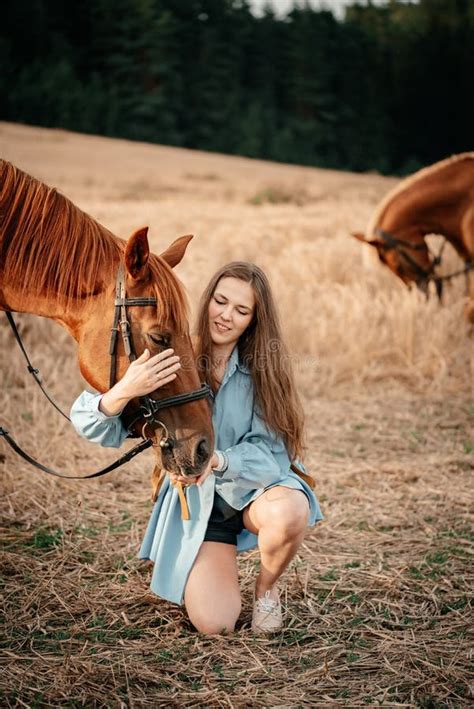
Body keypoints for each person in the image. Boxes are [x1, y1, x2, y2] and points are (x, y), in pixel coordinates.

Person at [71, 262, 323, 635]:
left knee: (290, 511)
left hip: (258, 493)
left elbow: (272, 456)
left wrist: (219, 460)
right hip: (204, 509)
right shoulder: (170, 350)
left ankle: (267, 590)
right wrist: (126, 389)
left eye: (241, 310)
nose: (226, 316)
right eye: (221, 302)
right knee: (215, 625)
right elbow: (86, 422)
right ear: (207, 301)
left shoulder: (265, 371)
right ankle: (215, 568)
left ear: (254, 319)